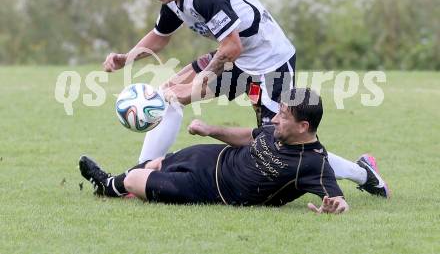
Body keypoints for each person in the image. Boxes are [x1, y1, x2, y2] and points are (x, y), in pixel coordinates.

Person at [102, 0, 389, 198]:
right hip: (239, 57)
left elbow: (231, 48)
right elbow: (160, 36)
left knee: (278, 141)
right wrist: (125, 59)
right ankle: (137, 174)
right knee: (168, 96)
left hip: (270, 62)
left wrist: (202, 80)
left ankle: (364, 174)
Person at [80, 88, 349, 213]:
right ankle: (106, 184)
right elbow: (247, 135)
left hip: (215, 190)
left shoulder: (314, 162)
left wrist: (335, 208)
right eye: (278, 112)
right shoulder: (277, 129)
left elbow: (339, 200)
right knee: (154, 164)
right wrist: (210, 130)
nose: (275, 120)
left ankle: (113, 185)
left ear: (303, 126)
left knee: (135, 179)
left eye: (283, 116)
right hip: (211, 156)